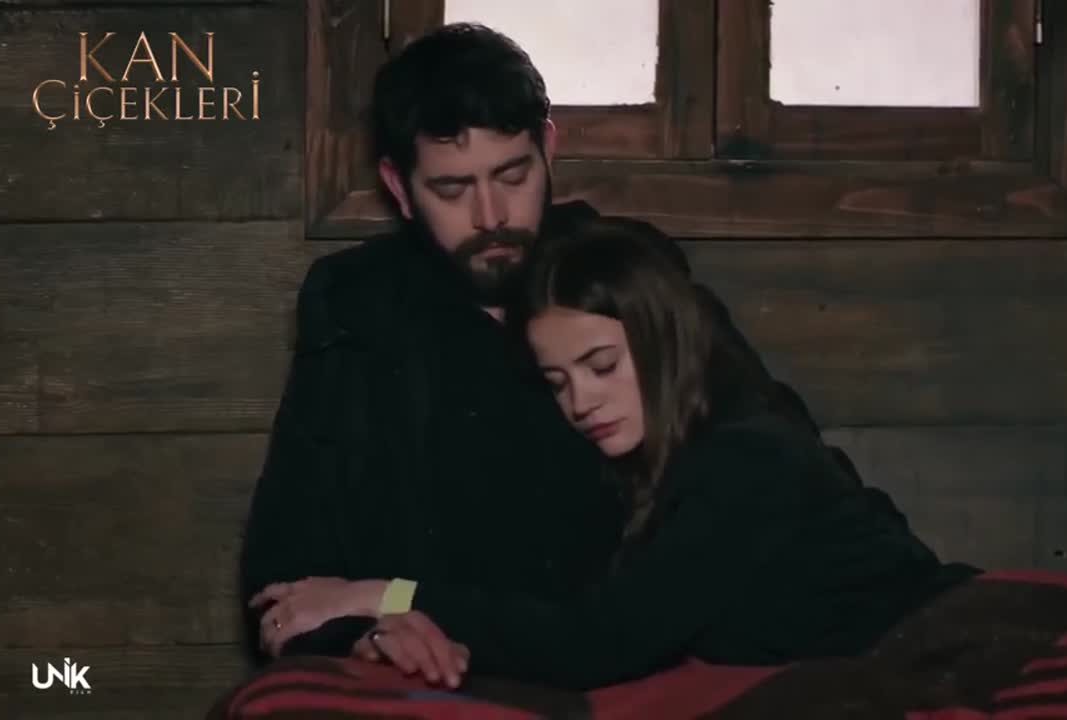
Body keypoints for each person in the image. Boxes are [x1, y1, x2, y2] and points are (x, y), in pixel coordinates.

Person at [240, 22, 852, 674]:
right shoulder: (357, 304)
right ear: (399, 187)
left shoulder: (624, 271)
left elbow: (785, 466)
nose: (491, 216)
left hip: (620, 651)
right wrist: (367, 636)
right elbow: (287, 579)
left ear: (548, 150)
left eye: (513, 175)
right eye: (452, 189)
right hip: (449, 659)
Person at [347, 218, 980, 691]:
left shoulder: (746, 459)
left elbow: (599, 642)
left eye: (602, 366)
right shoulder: (650, 463)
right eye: (558, 382)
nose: (581, 402)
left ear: (662, 341)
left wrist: (388, 595)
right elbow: (566, 610)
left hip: (961, 638)